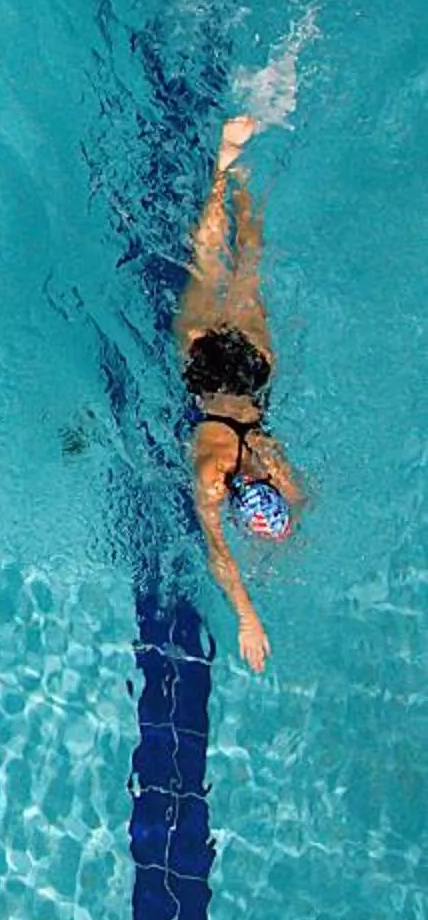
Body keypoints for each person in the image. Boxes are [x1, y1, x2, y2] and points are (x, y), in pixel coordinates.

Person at [180, 112, 302, 672]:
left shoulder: (270, 461)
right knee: (209, 266)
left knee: (245, 265)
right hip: (206, 370)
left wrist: (285, 516)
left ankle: (240, 174)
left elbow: (301, 497)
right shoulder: (213, 475)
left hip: (253, 371)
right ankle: (224, 169)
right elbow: (217, 553)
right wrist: (247, 614)